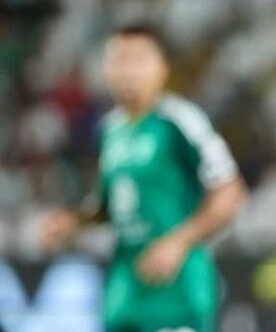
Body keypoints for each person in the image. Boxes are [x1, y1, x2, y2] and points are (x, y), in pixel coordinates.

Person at [40, 23, 248, 332]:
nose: (127, 71)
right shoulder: (109, 130)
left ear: (162, 68)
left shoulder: (179, 120)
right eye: (118, 60)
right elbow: (111, 205)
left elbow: (230, 193)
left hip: (177, 288)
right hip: (125, 287)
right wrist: (75, 222)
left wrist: (177, 243)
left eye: (138, 60)